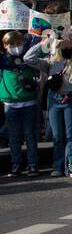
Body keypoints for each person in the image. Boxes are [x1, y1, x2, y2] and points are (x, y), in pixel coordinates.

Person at [25, 33, 72, 178]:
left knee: (70, 135)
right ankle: (58, 166)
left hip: (69, 99)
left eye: (70, 45)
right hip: (54, 100)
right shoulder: (49, 63)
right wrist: (44, 43)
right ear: (58, 47)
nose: (67, 47)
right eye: (64, 45)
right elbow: (28, 58)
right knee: (57, 136)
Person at [1, 30, 41, 177]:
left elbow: (39, 47)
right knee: (14, 137)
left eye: (19, 43)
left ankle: (32, 165)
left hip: (29, 102)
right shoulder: (2, 60)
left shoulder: (28, 57)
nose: (16, 46)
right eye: (12, 44)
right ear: (5, 45)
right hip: (10, 104)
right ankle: (16, 165)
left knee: (30, 136)